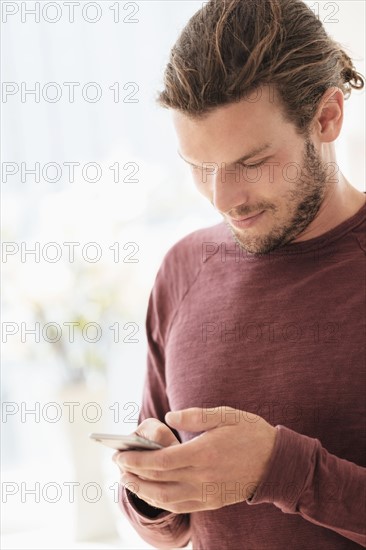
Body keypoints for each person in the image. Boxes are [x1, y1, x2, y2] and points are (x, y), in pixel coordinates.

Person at [113, 0, 366, 547]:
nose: (223, 199)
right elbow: (169, 532)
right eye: (201, 168)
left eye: (251, 163)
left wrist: (283, 471)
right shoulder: (183, 269)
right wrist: (148, 485)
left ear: (327, 117)